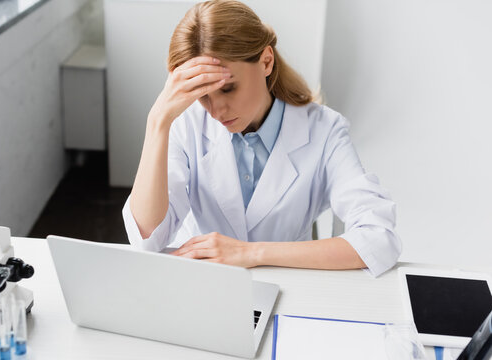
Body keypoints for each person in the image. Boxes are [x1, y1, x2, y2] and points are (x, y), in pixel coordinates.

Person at [122, 0, 401, 277]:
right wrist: (157, 121)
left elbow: (378, 239)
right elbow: (146, 239)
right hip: (201, 281)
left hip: (291, 285)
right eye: (202, 94)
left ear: (266, 61)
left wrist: (251, 253)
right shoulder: (185, 124)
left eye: (228, 88)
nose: (217, 110)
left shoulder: (324, 130)